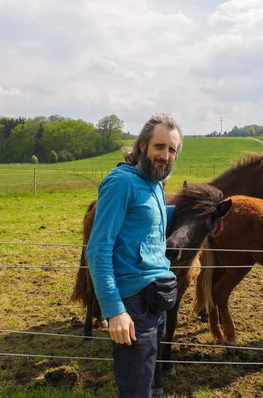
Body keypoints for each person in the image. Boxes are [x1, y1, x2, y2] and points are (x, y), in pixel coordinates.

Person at [86, 114, 183, 398]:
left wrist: (196, 209)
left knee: (147, 380)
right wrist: (115, 310)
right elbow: (98, 248)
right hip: (132, 303)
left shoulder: (154, 184)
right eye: (159, 146)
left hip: (157, 295)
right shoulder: (121, 183)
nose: (165, 155)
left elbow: (152, 221)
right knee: (135, 390)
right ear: (142, 146)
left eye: (172, 149)